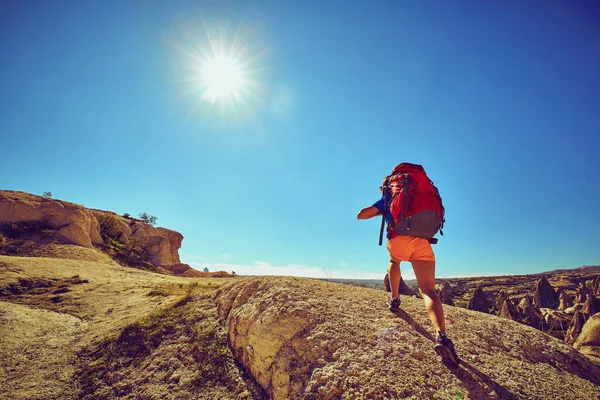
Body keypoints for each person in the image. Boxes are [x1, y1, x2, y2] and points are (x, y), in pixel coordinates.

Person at [357, 175, 459, 366]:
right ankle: (441, 336)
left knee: (394, 262)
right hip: (422, 242)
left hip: (398, 240)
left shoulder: (389, 199)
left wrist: (382, 210)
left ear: (390, 187)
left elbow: (361, 214)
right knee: (428, 290)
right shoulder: (419, 196)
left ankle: (395, 299)